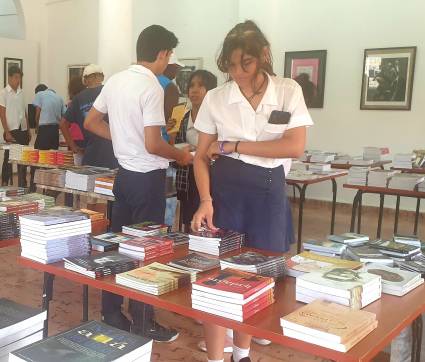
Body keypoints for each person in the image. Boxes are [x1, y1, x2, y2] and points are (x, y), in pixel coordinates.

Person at [192, 20, 313, 362]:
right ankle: (218, 358)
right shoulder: (217, 98)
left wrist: (233, 145)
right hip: (225, 191)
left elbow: (294, 147)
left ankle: (242, 353)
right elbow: (201, 157)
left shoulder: (288, 90)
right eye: (231, 66)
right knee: (218, 279)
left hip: (269, 191)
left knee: (257, 279)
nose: (239, 73)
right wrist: (205, 200)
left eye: (245, 64)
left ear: (263, 56)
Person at [84, 25, 193, 342]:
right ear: (162, 53)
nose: (167, 61)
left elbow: (90, 122)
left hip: (124, 177)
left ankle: (112, 312)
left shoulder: (116, 80)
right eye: (169, 55)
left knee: (117, 247)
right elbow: (153, 145)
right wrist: (181, 156)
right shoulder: (152, 87)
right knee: (147, 252)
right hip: (147, 180)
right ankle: (144, 320)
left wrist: (120, 137)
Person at [174, 70, 217, 232]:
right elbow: (173, 145)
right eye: (191, 85)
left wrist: (201, 151)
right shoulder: (181, 116)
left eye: (201, 85)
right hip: (187, 177)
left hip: (210, 177)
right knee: (189, 223)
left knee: (209, 225)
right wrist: (179, 152)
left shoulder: (218, 118)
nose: (194, 90)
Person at [60, 64, 117, 169]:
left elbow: (63, 124)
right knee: (108, 184)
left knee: (89, 183)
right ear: (102, 77)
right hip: (113, 151)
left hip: (90, 153)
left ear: (85, 80)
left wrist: (73, 147)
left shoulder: (78, 99)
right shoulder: (112, 92)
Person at [29, 84, 66, 191]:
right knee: (52, 159)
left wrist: (36, 126)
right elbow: (64, 115)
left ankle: (33, 186)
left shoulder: (40, 94)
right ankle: (51, 188)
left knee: (36, 158)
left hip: (44, 130)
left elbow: (38, 112)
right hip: (55, 131)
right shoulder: (59, 98)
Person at [0, 65, 31, 187]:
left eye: (20, 78)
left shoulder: (21, 92)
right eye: (16, 77)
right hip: (11, 130)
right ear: (10, 77)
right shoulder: (3, 93)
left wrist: (28, 129)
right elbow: (2, 113)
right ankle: (4, 182)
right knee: (9, 158)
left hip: (22, 129)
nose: (18, 81)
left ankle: (23, 184)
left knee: (23, 158)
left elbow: (24, 112)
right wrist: (6, 131)